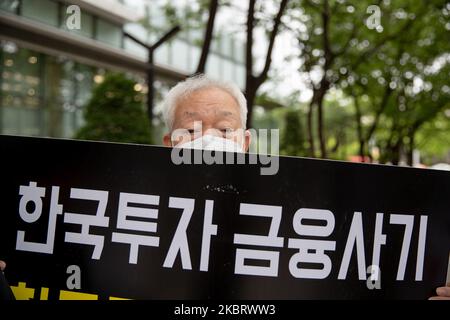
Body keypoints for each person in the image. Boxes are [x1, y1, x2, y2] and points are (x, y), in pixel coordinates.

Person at [1, 75, 449, 300]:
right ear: (167, 143)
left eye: (223, 127)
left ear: (248, 142)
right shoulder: (121, 218)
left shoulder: (300, 221)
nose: (208, 139)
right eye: (191, 129)